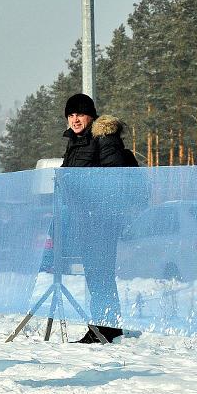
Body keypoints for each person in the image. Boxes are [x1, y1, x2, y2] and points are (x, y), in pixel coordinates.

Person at [61, 93, 127, 344]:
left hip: (103, 218)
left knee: (101, 273)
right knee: (94, 274)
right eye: (71, 115)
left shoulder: (104, 138)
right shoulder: (74, 142)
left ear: (90, 116)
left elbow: (115, 177)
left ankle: (106, 328)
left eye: (79, 114)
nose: (75, 119)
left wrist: (91, 198)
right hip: (84, 219)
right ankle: (103, 326)